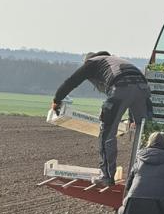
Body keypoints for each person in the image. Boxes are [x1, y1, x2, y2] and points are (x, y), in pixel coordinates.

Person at [52, 51, 152, 186]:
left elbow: (72, 81)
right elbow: (133, 89)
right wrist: (132, 118)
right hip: (143, 88)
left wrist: (57, 99)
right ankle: (147, 174)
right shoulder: (116, 61)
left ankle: (107, 177)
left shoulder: (91, 63)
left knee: (107, 134)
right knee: (146, 134)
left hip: (121, 87)